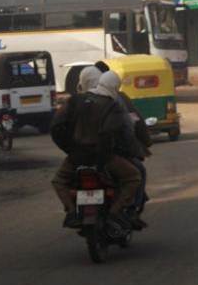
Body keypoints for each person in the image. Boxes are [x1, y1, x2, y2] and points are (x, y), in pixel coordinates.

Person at [50, 67, 142, 230]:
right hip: (105, 158)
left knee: (59, 181)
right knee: (133, 177)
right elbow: (118, 132)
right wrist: (114, 153)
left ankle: (71, 212)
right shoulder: (112, 105)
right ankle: (115, 212)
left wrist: (69, 149)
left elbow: (56, 127)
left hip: (77, 157)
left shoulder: (75, 100)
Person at [94, 62, 152, 228]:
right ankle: (131, 209)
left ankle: (71, 210)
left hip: (80, 156)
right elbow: (132, 126)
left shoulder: (79, 100)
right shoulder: (117, 100)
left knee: (63, 180)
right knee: (137, 173)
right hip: (112, 154)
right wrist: (143, 145)